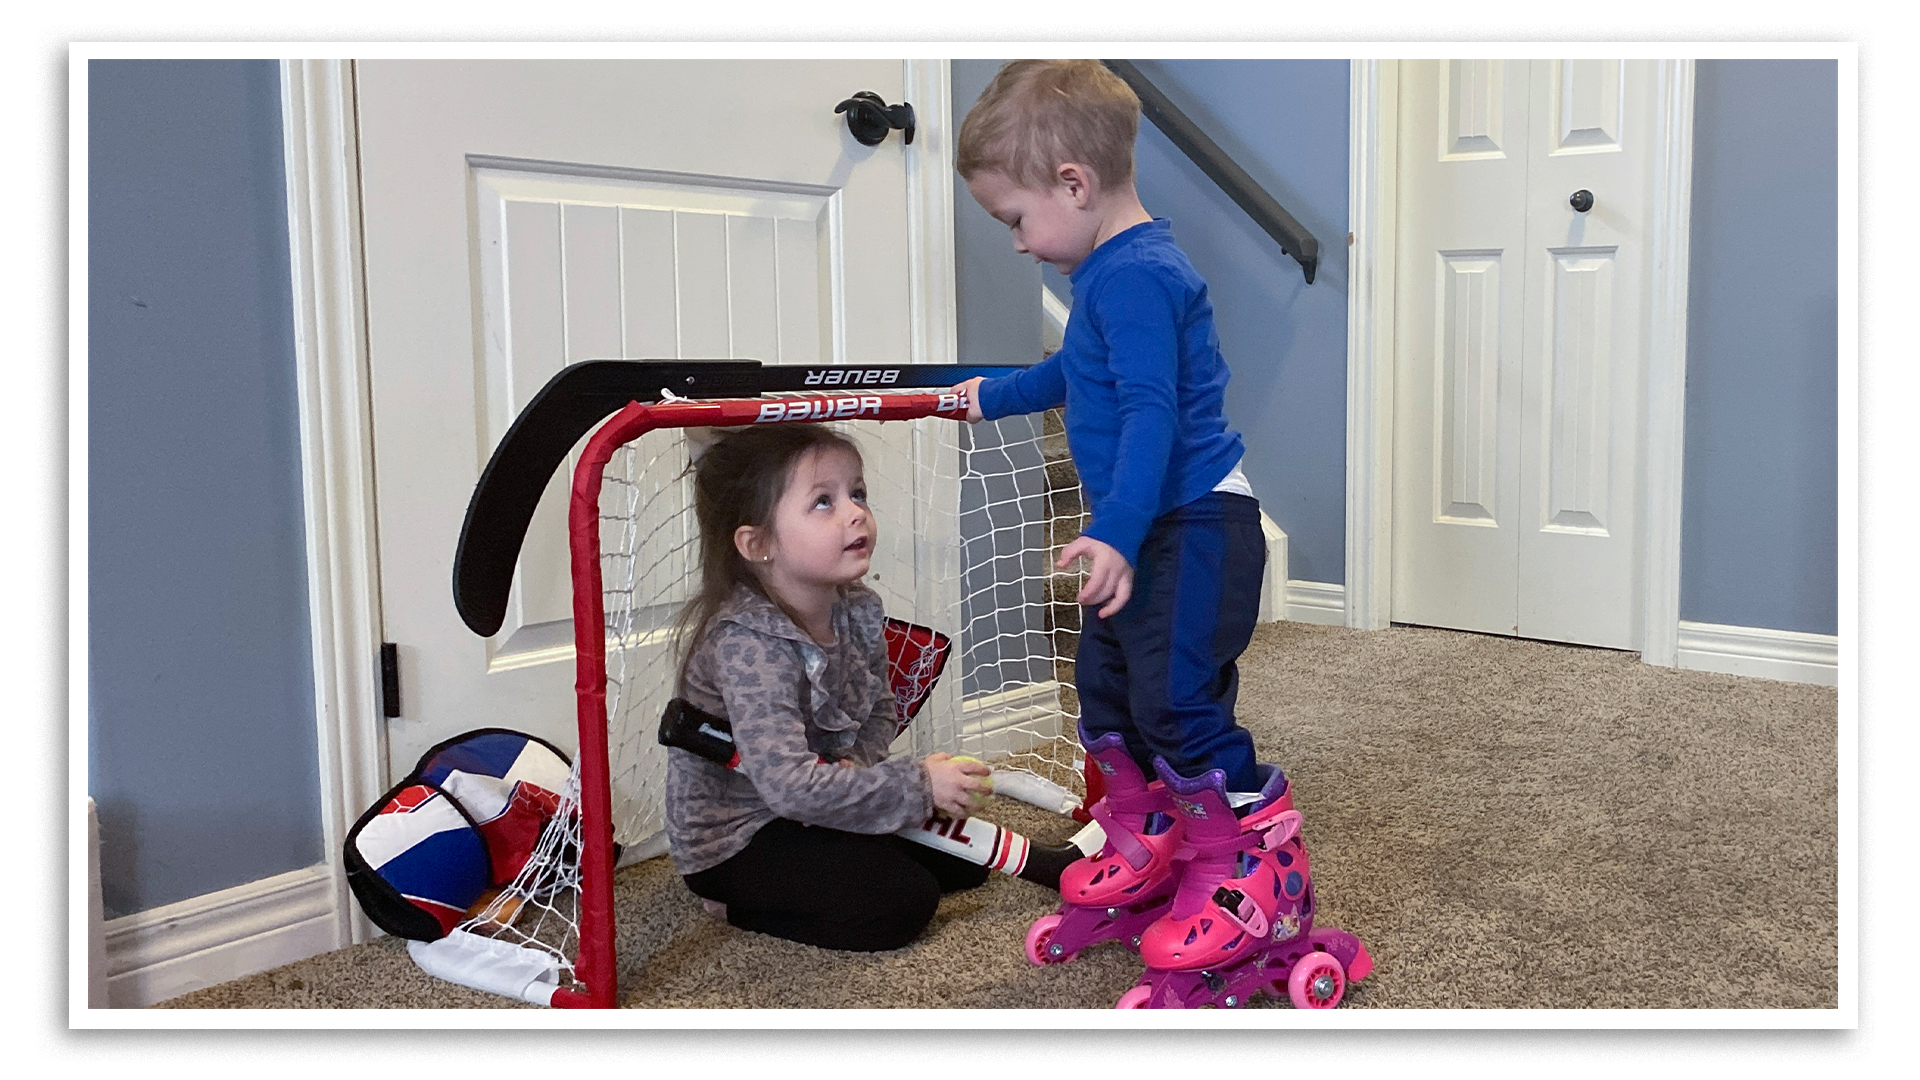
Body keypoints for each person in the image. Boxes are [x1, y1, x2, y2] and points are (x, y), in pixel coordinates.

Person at [950, 60, 1293, 922]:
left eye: (1017, 220)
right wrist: (995, 396)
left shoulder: (1139, 274)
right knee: (1107, 691)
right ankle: (1149, 834)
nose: (1020, 243)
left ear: (1074, 183)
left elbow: (1152, 413)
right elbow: (1080, 368)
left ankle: (1250, 861)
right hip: (1147, 528)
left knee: (1176, 700)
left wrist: (1117, 530)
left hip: (1195, 524)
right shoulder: (1106, 275)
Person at [662, 423, 995, 952]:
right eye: (823, 502)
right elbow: (789, 787)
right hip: (742, 836)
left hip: (813, 802)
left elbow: (881, 710)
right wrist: (915, 786)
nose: (855, 512)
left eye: (856, 493)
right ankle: (735, 906)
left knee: (966, 861)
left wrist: (859, 767)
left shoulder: (856, 607)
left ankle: (854, 843)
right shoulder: (749, 642)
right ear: (759, 543)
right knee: (905, 901)